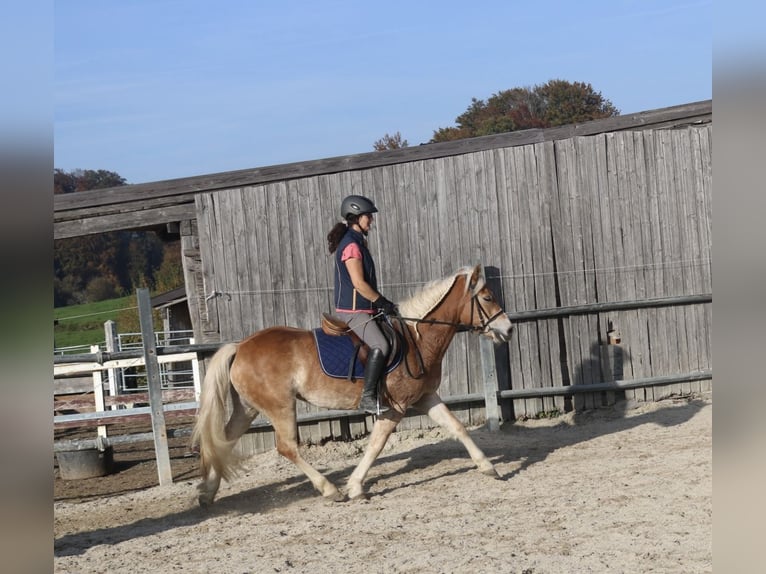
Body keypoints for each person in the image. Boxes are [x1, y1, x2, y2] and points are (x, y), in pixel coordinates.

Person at [326, 194, 397, 414]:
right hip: (353, 312)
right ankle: (367, 398)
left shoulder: (357, 241)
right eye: (368, 216)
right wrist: (381, 300)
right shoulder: (351, 246)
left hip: (366, 308)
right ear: (355, 217)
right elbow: (358, 283)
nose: (371, 220)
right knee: (381, 346)